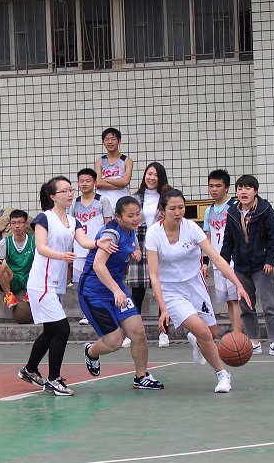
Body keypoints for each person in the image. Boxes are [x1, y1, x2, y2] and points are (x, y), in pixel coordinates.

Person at [17, 176, 117, 396]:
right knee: (62, 329)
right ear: (53, 196)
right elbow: (41, 247)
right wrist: (61, 255)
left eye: (71, 189)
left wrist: (98, 242)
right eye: (64, 191)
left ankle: (30, 370)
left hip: (56, 284)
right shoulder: (44, 218)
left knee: (51, 331)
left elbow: (84, 241)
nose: (70, 193)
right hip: (42, 283)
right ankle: (53, 380)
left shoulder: (73, 221)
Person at [147, 189, 252, 393]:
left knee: (210, 333)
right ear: (162, 211)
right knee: (203, 331)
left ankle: (195, 339)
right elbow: (154, 276)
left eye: (181, 207)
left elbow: (217, 258)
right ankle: (223, 375)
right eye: (172, 208)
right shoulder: (154, 234)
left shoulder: (191, 228)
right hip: (170, 291)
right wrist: (163, 308)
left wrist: (238, 284)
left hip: (195, 284)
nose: (178, 212)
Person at [80, 196, 164, 390]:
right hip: (94, 293)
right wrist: (117, 290)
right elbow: (98, 265)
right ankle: (91, 351)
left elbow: (132, 243)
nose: (136, 219)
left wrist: (136, 251)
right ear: (118, 217)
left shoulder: (130, 229)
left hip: (116, 289)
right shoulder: (111, 234)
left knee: (138, 333)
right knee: (114, 342)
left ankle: (141, 377)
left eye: (138, 214)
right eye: (130, 216)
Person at [220, 175, 274, 356]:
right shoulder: (232, 212)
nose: (243, 192)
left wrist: (270, 260)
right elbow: (228, 241)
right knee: (246, 306)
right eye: (240, 188)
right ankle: (254, 342)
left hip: (261, 266)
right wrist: (223, 263)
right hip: (241, 267)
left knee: (269, 305)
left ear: (255, 191)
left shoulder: (265, 210)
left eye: (248, 188)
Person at [127, 161, 172, 347]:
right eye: (149, 174)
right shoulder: (134, 198)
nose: (151, 178)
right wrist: (132, 248)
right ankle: (132, 334)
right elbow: (127, 225)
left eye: (155, 175)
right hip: (139, 247)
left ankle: (164, 333)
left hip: (160, 249)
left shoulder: (167, 198)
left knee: (162, 292)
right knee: (136, 294)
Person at [201, 169, 243, 335]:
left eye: (218, 186)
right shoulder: (209, 211)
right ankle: (235, 334)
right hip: (218, 261)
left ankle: (237, 335)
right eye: (211, 186)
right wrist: (205, 262)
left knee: (236, 299)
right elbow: (208, 238)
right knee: (228, 301)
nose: (214, 189)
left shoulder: (235, 207)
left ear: (227, 188)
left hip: (233, 260)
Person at [73, 168, 113, 325]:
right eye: (81, 181)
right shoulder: (74, 203)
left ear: (95, 182)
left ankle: (102, 311)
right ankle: (86, 313)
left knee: (99, 280)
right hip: (79, 248)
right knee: (83, 283)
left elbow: (109, 224)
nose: (84, 184)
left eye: (88, 181)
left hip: (98, 248)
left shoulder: (103, 200)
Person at [0, 209, 34, 309]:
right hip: (13, 278)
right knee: (0, 265)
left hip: (30, 277)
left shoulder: (34, 241)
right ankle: (9, 296)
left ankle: (31, 293)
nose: (17, 226)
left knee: (44, 263)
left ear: (26, 224)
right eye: (14, 223)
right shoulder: (5, 242)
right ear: (10, 225)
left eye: (20, 222)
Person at [94, 127, 133, 209]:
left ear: (119, 141)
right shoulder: (100, 161)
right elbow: (98, 183)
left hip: (122, 203)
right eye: (107, 139)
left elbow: (125, 181)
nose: (110, 142)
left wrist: (106, 179)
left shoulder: (127, 161)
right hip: (103, 203)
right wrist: (120, 184)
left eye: (113, 139)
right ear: (103, 142)